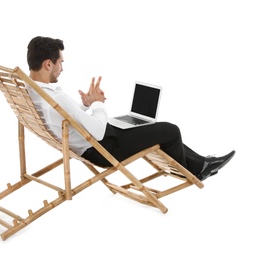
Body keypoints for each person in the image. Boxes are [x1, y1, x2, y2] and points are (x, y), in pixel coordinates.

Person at [26, 36, 235, 181]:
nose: (62, 68)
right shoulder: (57, 96)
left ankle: (202, 163)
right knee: (170, 130)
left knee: (152, 130)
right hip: (103, 149)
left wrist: (85, 104)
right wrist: (99, 103)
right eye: (61, 62)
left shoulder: (33, 90)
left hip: (93, 142)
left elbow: (62, 116)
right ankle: (191, 171)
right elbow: (98, 132)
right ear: (48, 64)